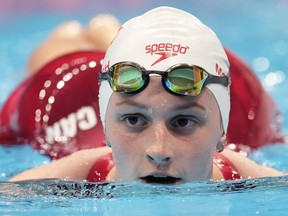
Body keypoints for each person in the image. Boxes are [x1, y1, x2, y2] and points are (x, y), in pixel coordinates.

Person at [9, 6, 283, 183]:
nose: (159, 152)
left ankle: (109, 35)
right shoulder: (74, 172)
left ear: (222, 131)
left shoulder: (246, 152)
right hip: (70, 97)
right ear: (106, 128)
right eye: (132, 120)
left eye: (184, 121)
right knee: (58, 53)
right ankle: (99, 36)